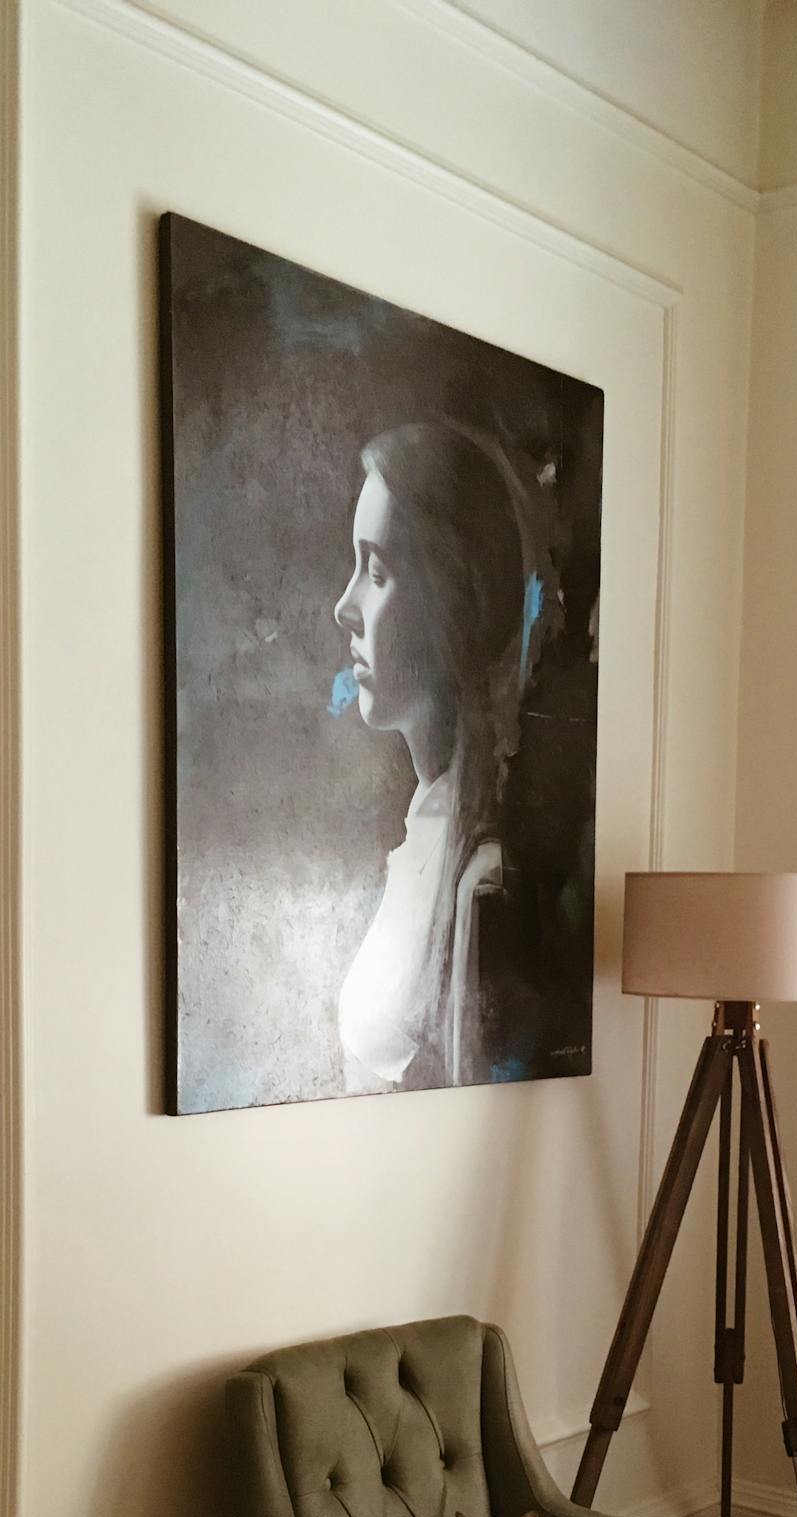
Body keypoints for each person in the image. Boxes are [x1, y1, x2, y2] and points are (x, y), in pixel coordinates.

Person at [332, 419, 543, 1091]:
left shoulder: (480, 881)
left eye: (378, 571)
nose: (346, 607)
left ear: (450, 602)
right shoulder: (422, 840)